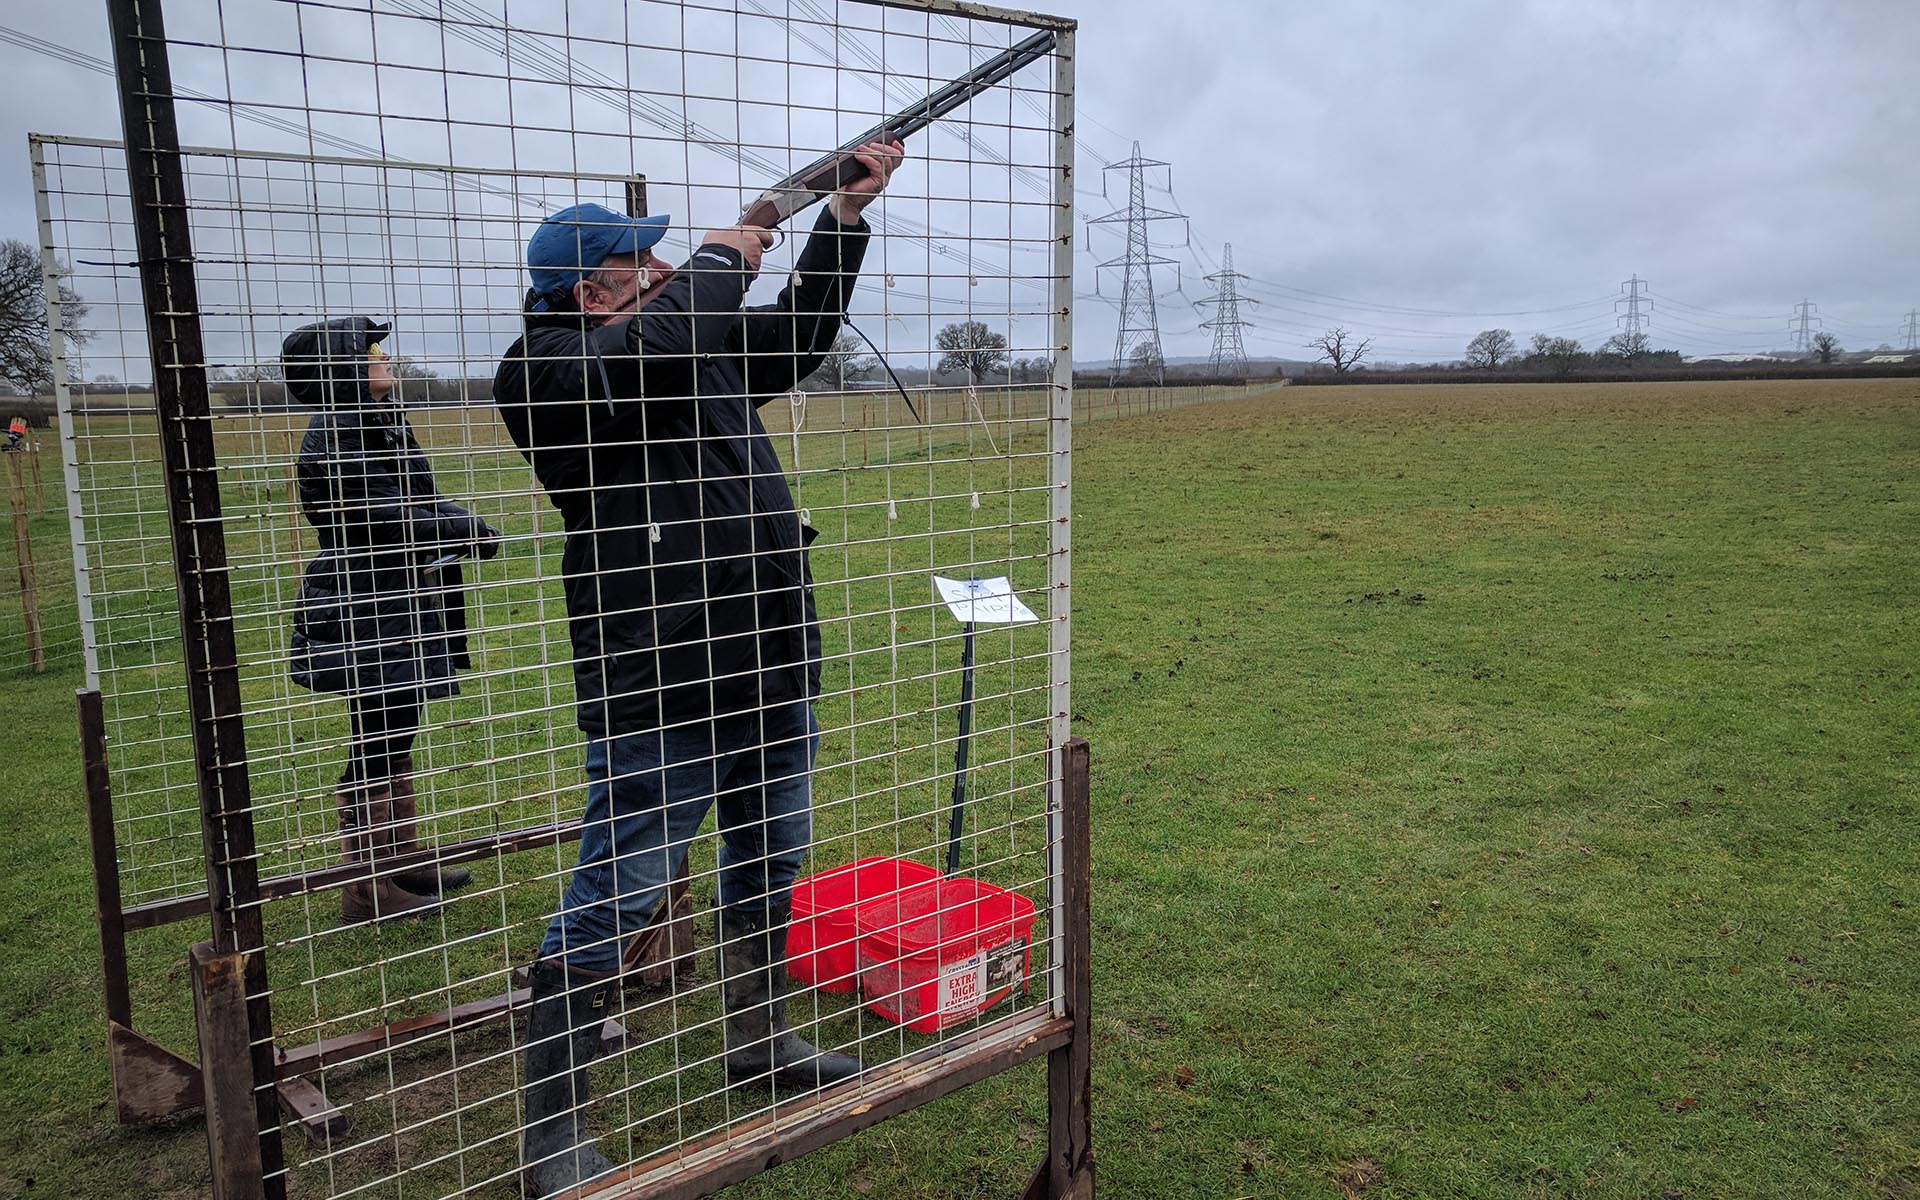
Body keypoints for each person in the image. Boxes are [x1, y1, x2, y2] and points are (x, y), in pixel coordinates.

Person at [494, 137, 903, 1196]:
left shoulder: (685, 344)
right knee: (617, 897)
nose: (668, 268)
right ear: (592, 290)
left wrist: (839, 221)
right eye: (644, 263)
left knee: (768, 866)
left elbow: (801, 336)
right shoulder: (543, 373)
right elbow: (653, 350)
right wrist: (728, 253)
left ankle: (758, 1041)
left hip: (768, 660)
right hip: (662, 680)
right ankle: (550, 1136)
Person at [282, 317, 498, 923]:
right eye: (369, 350)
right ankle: (367, 886)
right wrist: (462, 528)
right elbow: (381, 515)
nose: (384, 357)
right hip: (366, 603)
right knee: (378, 730)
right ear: (341, 369)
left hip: (397, 597)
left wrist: (462, 521)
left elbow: (420, 500)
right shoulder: (336, 434)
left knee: (396, 722)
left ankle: (399, 859)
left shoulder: (377, 422)